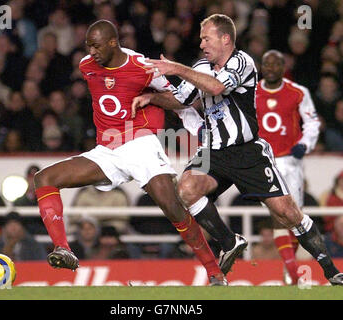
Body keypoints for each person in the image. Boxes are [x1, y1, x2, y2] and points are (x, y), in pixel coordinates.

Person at [131, 14, 343, 285]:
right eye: (201, 38)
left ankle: (332, 271)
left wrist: (177, 69)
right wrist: (151, 97)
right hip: (213, 151)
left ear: (225, 39)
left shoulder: (242, 61)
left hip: (248, 152)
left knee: (287, 213)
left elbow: (217, 86)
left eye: (206, 38)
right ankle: (229, 242)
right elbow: (181, 99)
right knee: (186, 189)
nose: (201, 44)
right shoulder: (201, 65)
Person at [33, 20, 226, 285]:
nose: (91, 51)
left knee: (173, 209)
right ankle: (63, 248)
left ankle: (214, 271)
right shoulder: (86, 66)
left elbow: (176, 99)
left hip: (141, 144)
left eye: (96, 45)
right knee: (44, 178)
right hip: (107, 149)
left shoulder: (142, 67)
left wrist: (197, 128)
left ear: (114, 42)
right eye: (88, 45)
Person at [256, 49, 321, 284]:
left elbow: (312, 122)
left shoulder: (298, 92)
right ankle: (291, 269)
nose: (271, 68)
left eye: (276, 64)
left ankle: (289, 268)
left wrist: (305, 144)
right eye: (267, 64)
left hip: (290, 161)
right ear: (262, 67)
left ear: (283, 67)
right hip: (263, 161)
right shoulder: (251, 93)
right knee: (278, 212)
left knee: (294, 216)